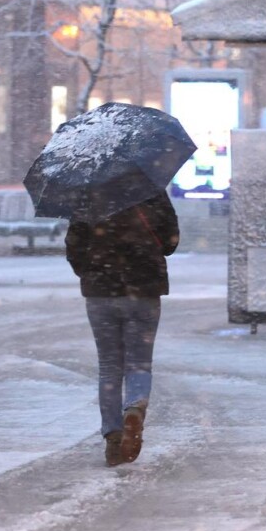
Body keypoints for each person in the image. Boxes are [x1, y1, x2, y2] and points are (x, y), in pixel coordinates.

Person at [65, 189, 179, 467]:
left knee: (109, 365)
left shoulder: (88, 193)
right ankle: (135, 408)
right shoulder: (151, 190)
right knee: (139, 363)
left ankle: (113, 436)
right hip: (144, 288)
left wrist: (92, 273)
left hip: (101, 291)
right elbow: (170, 242)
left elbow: (74, 248)